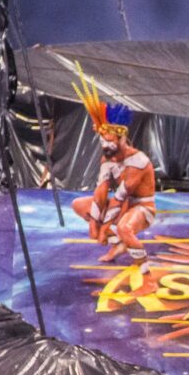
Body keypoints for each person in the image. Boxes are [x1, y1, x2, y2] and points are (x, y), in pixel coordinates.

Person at [69, 65, 156, 290]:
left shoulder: (138, 162)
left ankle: (148, 277)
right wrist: (94, 224)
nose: (105, 146)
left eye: (109, 142)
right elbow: (101, 189)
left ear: (122, 139)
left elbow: (120, 198)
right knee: (79, 205)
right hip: (122, 204)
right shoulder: (108, 157)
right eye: (103, 141)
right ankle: (118, 244)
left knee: (125, 228)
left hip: (142, 208)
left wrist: (104, 225)